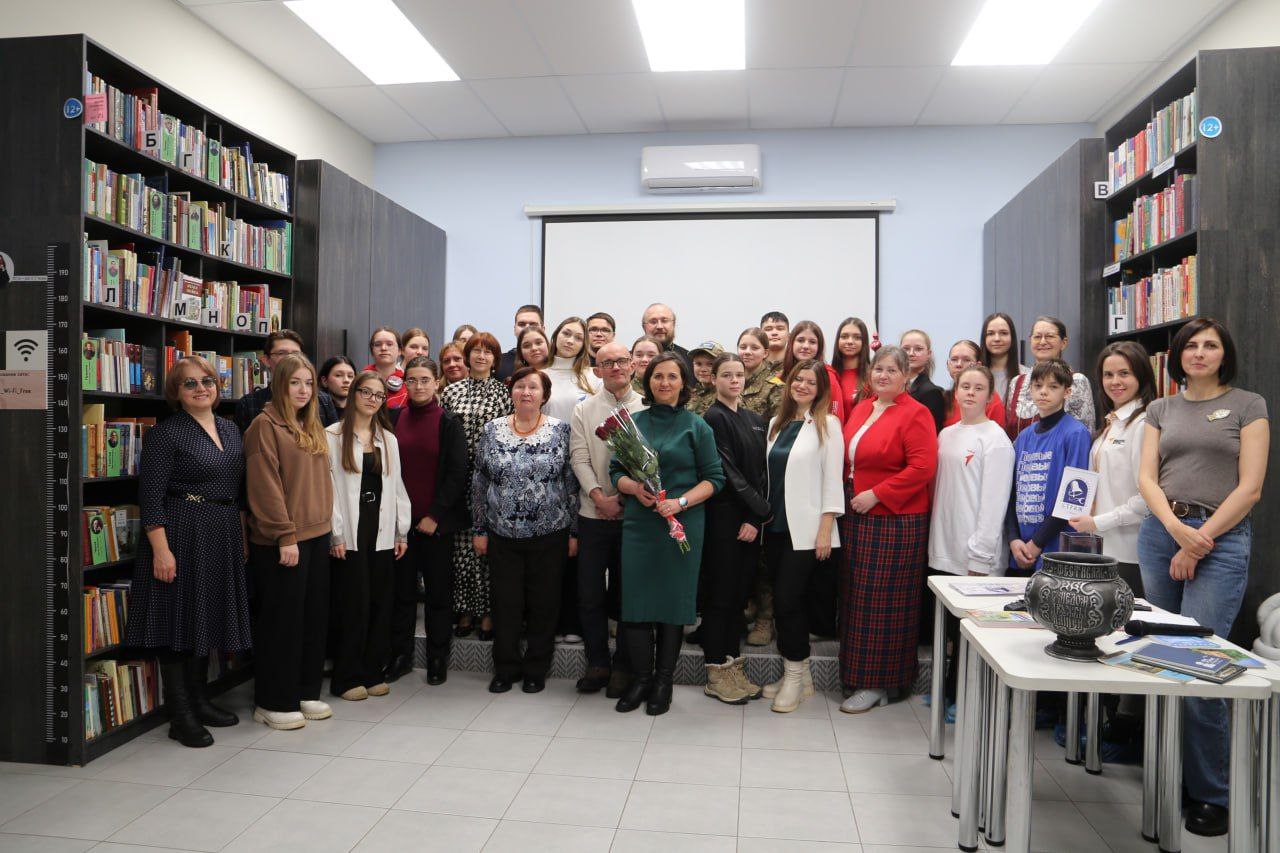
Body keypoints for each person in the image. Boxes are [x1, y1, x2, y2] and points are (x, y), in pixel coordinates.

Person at [1136, 317, 1268, 837]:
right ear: (1177, 356)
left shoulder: (1249, 405)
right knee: (1158, 659)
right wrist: (1175, 530)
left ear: (1224, 354)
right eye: (1190, 345)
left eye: (1210, 345)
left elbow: (1250, 487)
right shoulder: (1160, 409)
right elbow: (1147, 478)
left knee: (1198, 663)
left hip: (1222, 538)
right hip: (1161, 533)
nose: (1199, 352)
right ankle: (1169, 772)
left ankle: (1211, 793)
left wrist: (1199, 540)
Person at [126, 356, 251, 747]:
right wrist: (161, 551)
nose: (201, 388)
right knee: (177, 623)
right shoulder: (166, 433)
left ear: (217, 386)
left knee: (204, 617)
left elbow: (238, 489)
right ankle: (180, 716)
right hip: (181, 532)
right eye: (190, 383)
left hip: (222, 529)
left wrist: (242, 536)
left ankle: (200, 701)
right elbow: (151, 497)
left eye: (207, 381)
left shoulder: (230, 429)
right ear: (176, 393)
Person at [611, 353, 724, 715]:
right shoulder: (632, 422)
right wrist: (633, 488)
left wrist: (680, 502)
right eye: (658, 376)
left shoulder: (697, 426)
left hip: (681, 527)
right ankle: (642, 679)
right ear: (648, 382)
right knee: (637, 605)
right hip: (640, 526)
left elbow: (714, 479)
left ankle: (663, 682)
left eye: (672, 376)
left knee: (672, 606)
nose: (664, 382)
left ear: (683, 383)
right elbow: (616, 471)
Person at [839, 346, 938, 713]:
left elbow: (922, 468)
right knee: (857, 596)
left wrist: (878, 494)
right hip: (858, 513)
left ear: (905, 376)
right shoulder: (863, 407)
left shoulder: (916, 413)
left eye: (892, 370)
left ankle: (880, 682)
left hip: (895, 519)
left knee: (882, 602)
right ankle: (857, 674)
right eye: (878, 369)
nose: (883, 376)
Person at [471, 367, 579, 694]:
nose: (526, 392)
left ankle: (536, 668)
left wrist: (574, 532)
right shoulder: (492, 430)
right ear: (512, 392)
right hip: (501, 534)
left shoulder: (561, 430)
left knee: (544, 604)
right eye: (520, 386)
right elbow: (480, 481)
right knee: (505, 604)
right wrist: (479, 527)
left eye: (533, 387)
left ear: (544, 396)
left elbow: (571, 483)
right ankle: (505, 668)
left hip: (551, 532)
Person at [243, 353, 335, 730]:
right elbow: (265, 487)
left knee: (312, 619)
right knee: (282, 623)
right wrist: (285, 535)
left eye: (308, 383)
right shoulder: (264, 427)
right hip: (283, 540)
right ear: (279, 384)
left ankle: (304, 691)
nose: (303, 390)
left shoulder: (309, 424)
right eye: (295, 382)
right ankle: (272, 701)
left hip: (317, 535)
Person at [928, 363, 1014, 712]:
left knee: (971, 634)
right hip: (943, 548)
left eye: (979, 388)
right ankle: (949, 692)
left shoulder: (995, 439)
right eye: (965, 386)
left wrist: (980, 554)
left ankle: (966, 702)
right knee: (952, 631)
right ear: (955, 391)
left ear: (990, 396)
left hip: (976, 555)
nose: (970, 393)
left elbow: (994, 503)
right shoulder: (946, 435)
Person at [759, 360, 844, 712]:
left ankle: (793, 676)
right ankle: (802, 676)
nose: (803, 386)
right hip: (775, 527)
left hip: (808, 531)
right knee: (784, 603)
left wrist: (825, 528)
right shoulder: (775, 424)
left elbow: (832, 479)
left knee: (787, 600)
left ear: (820, 389)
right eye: (798, 379)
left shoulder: (828, 424)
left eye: (811, 381)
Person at [325, 372, 410, 701]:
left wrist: (402, 530)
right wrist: (336, 533)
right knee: (353, 604)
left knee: (379, 601)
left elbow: (397, 485)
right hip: (351, 528)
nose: (373, 399)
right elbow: (329, 489)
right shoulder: (332, 435)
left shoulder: (387, 438)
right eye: (366, 392)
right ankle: (346, 678)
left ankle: (372, 671)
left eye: (378, 395)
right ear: (353, 394)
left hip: (381, 526)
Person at [569, 341, 646, 696]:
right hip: (593, 514)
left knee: (628, 594)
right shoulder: (584, 409)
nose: (615, 367)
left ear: (632, 366)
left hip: (635, 517)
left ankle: (624, 666)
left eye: (621, 361)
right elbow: (579, 458)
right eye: (607, 362)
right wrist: (599, 497)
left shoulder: (647, 407)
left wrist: (626, 500)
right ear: (597, 370)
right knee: (590, 594)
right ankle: (597, 662)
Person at [387, 357, 469, 686]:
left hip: (436, 525)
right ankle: (401, 656)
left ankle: (437, 658)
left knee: (438, 595)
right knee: (401, 594)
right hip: (400, 526)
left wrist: (434, 515)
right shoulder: (393, 418)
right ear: (404, 383)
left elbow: (457, 473)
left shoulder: (449, 422)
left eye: (425, 380)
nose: (418, 386)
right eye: (412, 380)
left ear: (437, 383)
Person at [700, 353, 769, 704]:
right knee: (720, 597)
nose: (734, 380)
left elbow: (761, 473)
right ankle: (716, 672)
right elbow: (727, 472)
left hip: (749, 520)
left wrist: (755, 519)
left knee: (738, 597)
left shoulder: (755, 419)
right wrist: (760, 510)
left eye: (739, 375)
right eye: (726, 375)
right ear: (714, 379)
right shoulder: (713, 417)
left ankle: (734, 667)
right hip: (724, 518)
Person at [1066, 341, 1156, 594]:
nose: (1115, 381)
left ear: (1141, 375)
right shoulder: (1110, 424)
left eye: (1124, 373)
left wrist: (1097, 522)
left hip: (1129, 552)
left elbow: (1146, 501)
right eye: (1108, 375)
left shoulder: (1143, 424)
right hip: (1101, 547)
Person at [439, 332, 512, 640]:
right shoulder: (451, 391)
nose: (481, 356)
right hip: (457, 480)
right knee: (461, 550)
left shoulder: (504, 393)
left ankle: (488, 614)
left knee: (487, 550)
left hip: (491, 481)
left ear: (495, 359)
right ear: (467, 356)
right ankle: (465, 610)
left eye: (487, 352)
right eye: (476, 351)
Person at [1006, 359, 1092, 575]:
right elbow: (1012, 492)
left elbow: (1074, 500)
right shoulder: (1023, 437)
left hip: (1055, 548)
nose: (1044, 392)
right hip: (1021, 547)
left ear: (1067, 392)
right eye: (1038, 386)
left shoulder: (1076, 433)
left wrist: (1037, 542)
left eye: (1053, 386)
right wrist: (1013, 538)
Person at [737, 327, 784, 646]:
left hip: (762, 475)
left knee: (763, 553)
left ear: (766, 353)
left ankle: (766, 618)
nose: (747, 352)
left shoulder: (775, 387)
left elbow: (778, 431)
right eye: (743, 346)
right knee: (740, 549)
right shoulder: (732, 378)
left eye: (754, 347)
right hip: (734, 477)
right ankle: (748, 606)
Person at [234, 329, 338, 432]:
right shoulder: (249, 404)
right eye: (282, 353)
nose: (290, 358)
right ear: (266, 360)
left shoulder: (323, 401)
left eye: (296, 353)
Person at [1007, 316, 1095, 437]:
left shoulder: (1076, 381)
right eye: (1037, 337)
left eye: (1050, 336)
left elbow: (1084, 434)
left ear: (1064, 343)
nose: (1043, 342)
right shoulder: (1016, 382)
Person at [780, 321, 844, 423]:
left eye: (812, 342)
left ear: (819, 347)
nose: (806, 346)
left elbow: (836, 417)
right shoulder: (781, 376)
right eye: (800, 340)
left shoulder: (828, 376)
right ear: (791, 343)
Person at [544, 316, 601, 422]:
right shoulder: (539, 376)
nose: (570, 341)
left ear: (583, 345)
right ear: (556, 335)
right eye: (566, 334)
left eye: (578, 338)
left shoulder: (595, 377)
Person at [941, 340, 1005, 428]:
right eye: (954, 359)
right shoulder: (944, 398)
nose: (959, 364)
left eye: (966, 360)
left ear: (978, 365)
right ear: (948, 364)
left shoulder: (990, 399)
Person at [979, 312, 1028, 412]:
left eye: (1003, 333)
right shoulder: (974, 375)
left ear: (1012, 338)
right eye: (991, 333)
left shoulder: (1026, 376)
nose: (997, 339)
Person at [901, 329, 946, 432]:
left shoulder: (931, 392)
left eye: (918, 349)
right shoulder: (892, 388)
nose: (911, 353)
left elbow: (930, 432)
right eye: (906, 349)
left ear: (928, 354)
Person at [834, 317, 872, 418]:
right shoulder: (829, 374)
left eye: (857, 337)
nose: (850, 341)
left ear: (864, 342)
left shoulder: (872, 376)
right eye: (844, 336)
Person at [498, 304, 544, 380]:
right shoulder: (499, 362)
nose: (527, 328)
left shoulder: (553, 362)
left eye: (533, 324)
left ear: (543, 329)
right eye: (522, 324)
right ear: (514, 329)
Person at [364, 326, 407, 409]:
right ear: (372, 351)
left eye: (389, 344)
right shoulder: (360, 381)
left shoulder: (407, 383)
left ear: (399, 351)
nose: (383, 348)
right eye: (378, 344)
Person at [687, 340, 723, 416]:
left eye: (710, 364)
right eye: (698, 364)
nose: (703, 369)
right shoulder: (688, 395)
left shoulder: (727, 396)